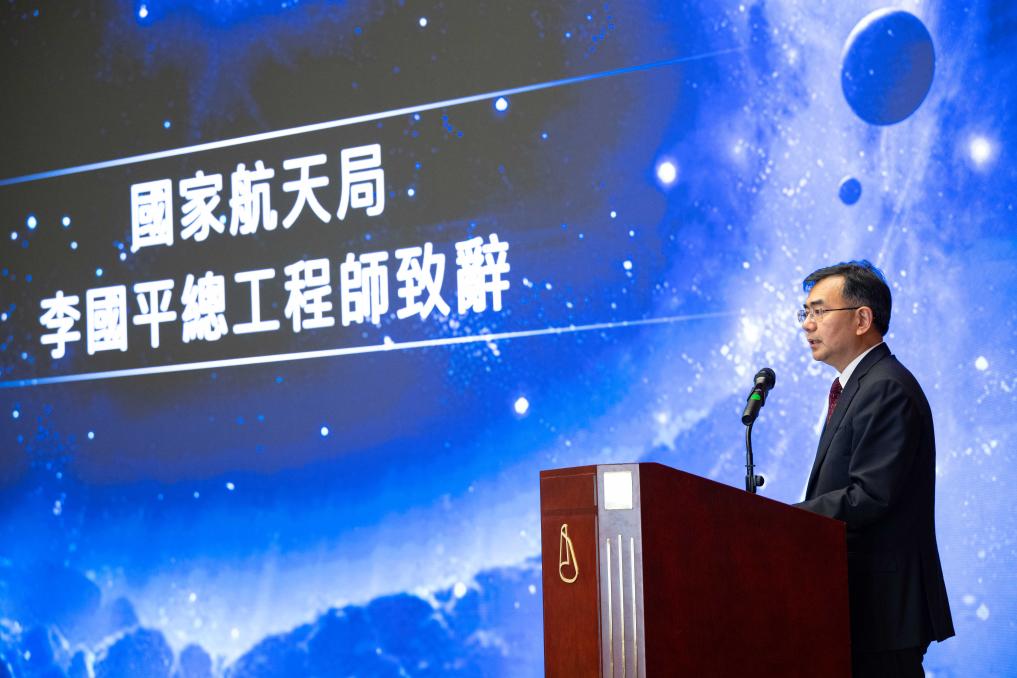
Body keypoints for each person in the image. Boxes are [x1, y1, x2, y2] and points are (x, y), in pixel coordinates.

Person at [793, 260, 954, 678]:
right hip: (860, 606)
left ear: (862, 319)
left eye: (819, 311)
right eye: (805, 312)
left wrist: (784, 520)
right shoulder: (861, 385)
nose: (807, 324)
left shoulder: (886, 387)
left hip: (882, 610)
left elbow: (870, 496)